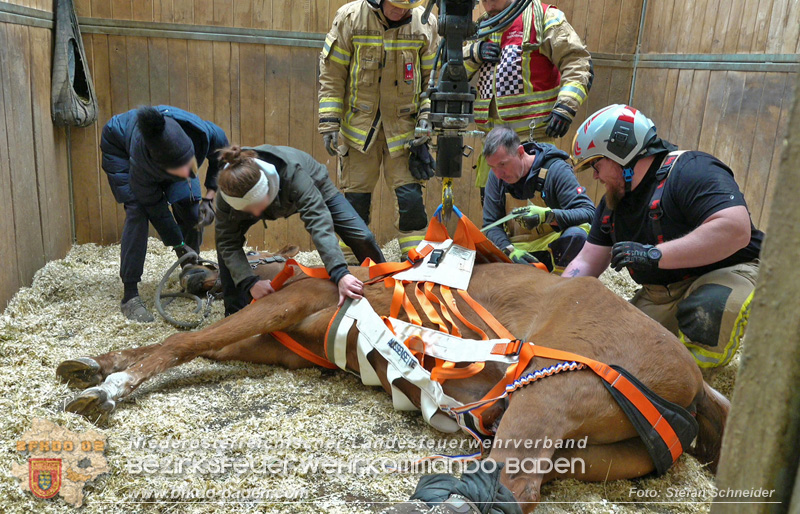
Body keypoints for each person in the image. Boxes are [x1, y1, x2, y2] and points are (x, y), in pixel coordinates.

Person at [564, 104, 763, 369]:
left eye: (596, 165)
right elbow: (587, 261)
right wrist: (555, 297)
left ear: (621, 152)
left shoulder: (691, 170)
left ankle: (694, 395)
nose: (596, 176)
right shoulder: (614, 202)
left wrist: (654, 255)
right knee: (619, 353)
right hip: (663, 293)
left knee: (709, 307)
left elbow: (736, 229)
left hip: (734, 271)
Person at [318, 0, 439, 258]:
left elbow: (432, 78)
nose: (402, 11)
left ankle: (415, 264)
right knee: (355, 204)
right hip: (360, 130)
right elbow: (332, 74)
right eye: (395, 5)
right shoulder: (350, 18)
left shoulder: (425, 22)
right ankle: (351, 267)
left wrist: (426, 119)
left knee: (411, 203)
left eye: (407, 5)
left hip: (406, 133)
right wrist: (329, 121)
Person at [214, 145, 386, 316]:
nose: (257, 214)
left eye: (257, 206)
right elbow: (227, 242)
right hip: (263, 198)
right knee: (225, 248)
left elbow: (319, 221)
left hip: (314, 184)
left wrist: (340, 273)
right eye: (249, 210)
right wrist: (249, 282)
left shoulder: (292, 174)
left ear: (266, 187)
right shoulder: (227, 196)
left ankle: (387, 280)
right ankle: (234, 312)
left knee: (362, 236)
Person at [100, 105, 228, 322]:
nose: (189, 172)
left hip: (166, 151)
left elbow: (221, 156)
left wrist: (209, 196)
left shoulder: (201, 133)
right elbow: (156, 208)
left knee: (190, 205)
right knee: (137, 212)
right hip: (121, 148)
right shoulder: (142, 167)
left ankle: (190, 266)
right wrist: (177, 242)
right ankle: (130, 295)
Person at [463, 0, 593, 205]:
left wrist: (566, 106)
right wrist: (473, 53)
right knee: (494, 226)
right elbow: (451, 71)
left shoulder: (543, 18)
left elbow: (577, 62)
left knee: (533, 225)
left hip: (531, 148)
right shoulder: (482, 26)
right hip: (489, 149)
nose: (486, 3)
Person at [481, 126, 595, 273]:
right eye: (492, 167)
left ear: (520, 152)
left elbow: (589, 212)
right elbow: (491, 224)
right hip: (518, 253)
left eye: (503, 164)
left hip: (554, 251)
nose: (498, 174)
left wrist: (548, 216)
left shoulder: (555, 170)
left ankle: (563, 286)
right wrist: (508, 250)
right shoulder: (496, 177)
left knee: (577, 234)